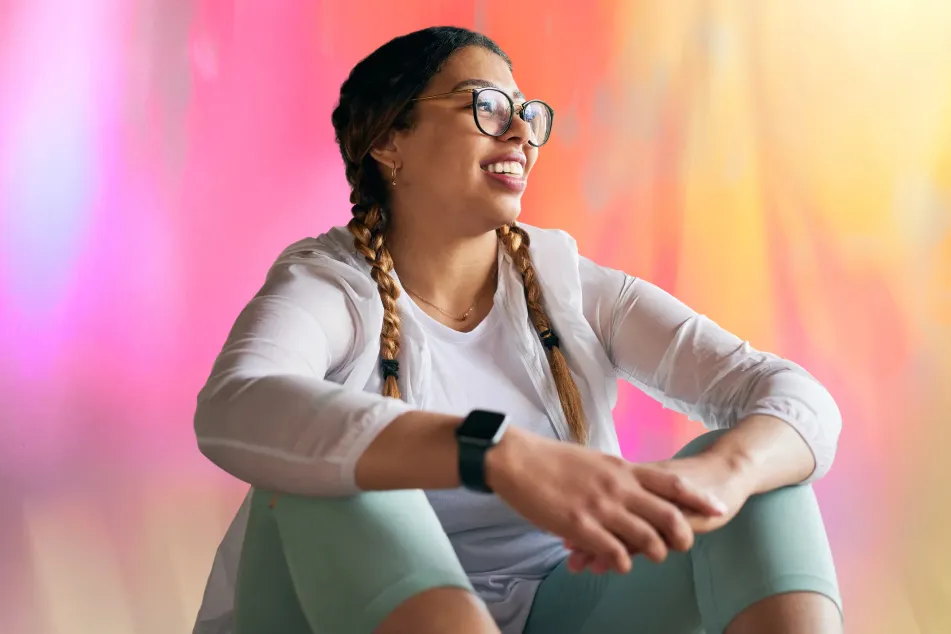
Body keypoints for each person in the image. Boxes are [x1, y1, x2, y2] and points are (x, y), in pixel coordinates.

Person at [191, 26, 843, 634]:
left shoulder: (575, 290)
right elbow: (235, 405)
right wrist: (494, 453)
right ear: (390, 142)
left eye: (527, 117)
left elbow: (796, 398)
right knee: (333, 480)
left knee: (764, 485)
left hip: (565, 600)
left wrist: (720, 478)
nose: (520, 136)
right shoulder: (331, 284)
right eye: (486, 109)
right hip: (334, 607)